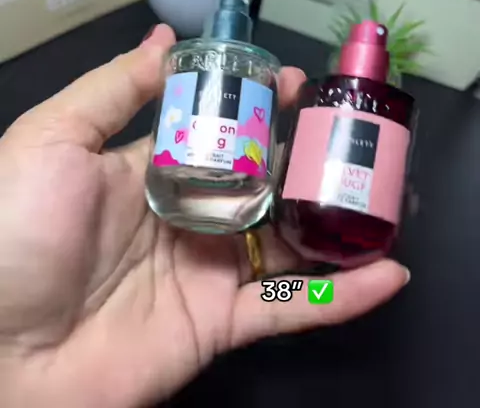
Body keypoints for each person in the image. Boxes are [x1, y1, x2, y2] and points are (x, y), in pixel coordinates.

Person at [0, 24, 409, 407]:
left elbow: (303, 288)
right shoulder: (207, 63)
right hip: (198, 217)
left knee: (324, 287)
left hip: (250, 232)